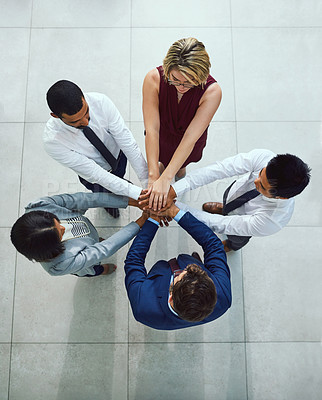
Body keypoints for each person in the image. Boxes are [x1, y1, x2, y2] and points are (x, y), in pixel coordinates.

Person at [158, 149, 311, 252]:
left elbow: (222, 225)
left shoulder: (272, 221)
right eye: (259, 174)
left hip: (241, 226)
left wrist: (177, 210)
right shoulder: (265, 157)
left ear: (281, 197)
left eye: (263, 186)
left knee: (235, 237)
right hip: (234, 194)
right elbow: (221, 169)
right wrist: (176, 189)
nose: (255, 181)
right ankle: (224, 208)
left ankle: (230, 246)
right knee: (227, 204)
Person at [44, 80, 148, 218]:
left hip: (117, 156)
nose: (86, 122)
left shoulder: (101, 102)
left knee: (120, 176)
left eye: (86, 112)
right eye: (75, 121)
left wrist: (147, 182)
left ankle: (120, 190)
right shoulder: (53, 141)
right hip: (94, 176)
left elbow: (127, 142)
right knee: (105, 196)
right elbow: (97, 174)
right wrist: (138, 194)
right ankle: (110, 206)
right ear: (55, 116)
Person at [143, 37, 222, 211]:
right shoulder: (153, 79)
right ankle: (164, 169)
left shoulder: (212, 91)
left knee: (180, 168)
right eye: (175, 80)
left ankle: (179, 175)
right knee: (158, 164)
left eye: (189, 82)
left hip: (189, 140)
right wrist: (153, 175)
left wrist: (165, 179)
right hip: (160, 134)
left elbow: (189, 138)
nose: (181, 86)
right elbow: (152, 129)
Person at [124, 203, 231, 330]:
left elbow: (134, 261)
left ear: (170, 298)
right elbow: (214, 246)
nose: (190, 267)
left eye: (181, 274)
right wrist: (176, 213)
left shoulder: (143, 307)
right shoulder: (223, 297)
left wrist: (153, 221)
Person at [10, 192, 148, 277]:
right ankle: (101, 270)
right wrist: (140, 222)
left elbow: (84, 199)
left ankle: (94, 239)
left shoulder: (39, 205)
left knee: (94, 240)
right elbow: (104, 249)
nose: (64, 227)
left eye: (57, 221)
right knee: (94, 269)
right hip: (85, 265)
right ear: (51, 249)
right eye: (60, 233)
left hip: (87, 232)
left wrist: (132, 202)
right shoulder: (59, 265)